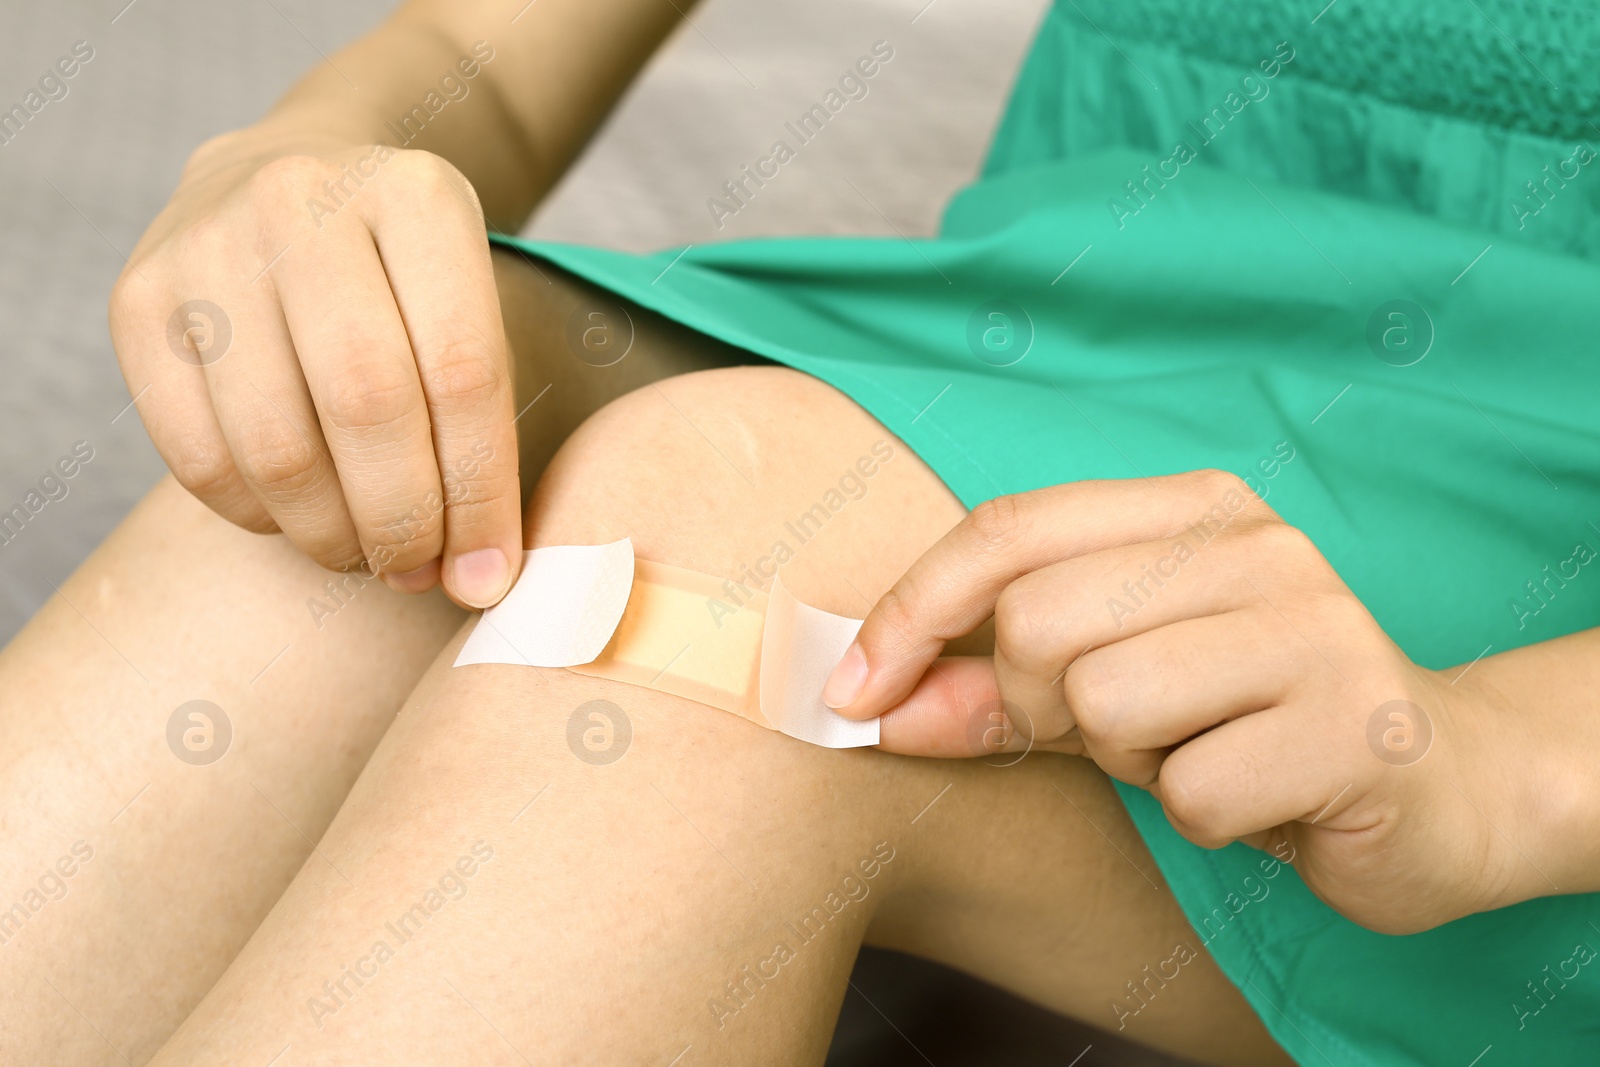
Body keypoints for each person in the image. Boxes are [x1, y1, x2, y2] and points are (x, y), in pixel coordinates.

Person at [3, 0, 1597, 1063]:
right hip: (1092, 292)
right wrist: (290, 174)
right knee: (374, 460)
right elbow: (477, 49)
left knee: (728, 574)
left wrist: (1507, 759)